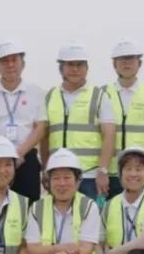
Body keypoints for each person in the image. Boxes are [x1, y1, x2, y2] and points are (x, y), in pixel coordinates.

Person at [42, 41, 116, 202]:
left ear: (86, 68)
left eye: (79, 64)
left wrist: (103, 171)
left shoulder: (99, 96)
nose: (75, 69)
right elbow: (45, 137)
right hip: (58, 175)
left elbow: (109, 135)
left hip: (88, 176)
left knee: (89, 217)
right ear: (61, 68)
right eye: (70, 64)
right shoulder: (50, 96)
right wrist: (45, 169)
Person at [0, 39, 47, 203]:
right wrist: (4, 151)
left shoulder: (36, 92)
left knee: (28, 207)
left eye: (14, 60)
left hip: (26, 158)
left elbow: (40, 128)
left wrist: (19, 153)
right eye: (4, 61)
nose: (10, 65)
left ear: (23, 64)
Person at [103, 40, 144, 197]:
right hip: (113, 172)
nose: (126, 63)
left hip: (142, 171)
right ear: (114, 64)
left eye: (131, 59)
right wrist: (102, 170)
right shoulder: (103, 93)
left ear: (139, 63)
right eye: (122, 59)